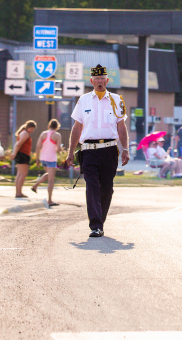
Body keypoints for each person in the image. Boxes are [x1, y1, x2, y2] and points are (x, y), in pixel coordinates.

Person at [66, 64, 131, 238]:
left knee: (107, 188)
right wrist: (71, 151)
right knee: (92, 185)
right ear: (91, 81)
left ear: (107, 80)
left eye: (103, 79)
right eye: (97, 79)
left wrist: (125, 149)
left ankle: (99, 221)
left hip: (109, 150)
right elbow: (77, 127)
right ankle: (95, 225)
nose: (100, 82)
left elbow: (121, 127)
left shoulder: (117, 99)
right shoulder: (83, 100)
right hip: (89, 151)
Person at [31, 120, 62, 206]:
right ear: (57, 127)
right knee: (51, 180)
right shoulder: (57, 135)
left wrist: (37, 159)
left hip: (43, 158)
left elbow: (38, 147)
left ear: (49, 126)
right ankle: (49, 200)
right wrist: (61, 149)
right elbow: (58, 149)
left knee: (49, 175)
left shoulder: (43, 134)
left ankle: (35, 185)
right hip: (51, 159)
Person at [14, 121, 36, 199]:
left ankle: (18, 192)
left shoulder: (23, 132)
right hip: (22, 154)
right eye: (31, 129)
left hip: (22, 154)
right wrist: (14, 153)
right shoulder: (25, 133)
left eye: (33, 129)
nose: (32, 131)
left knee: (20, 174)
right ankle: (19, 192)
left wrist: (14, 153)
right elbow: (18, 144)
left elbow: (17, 144)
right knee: (23, 174)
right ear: (27, 127)